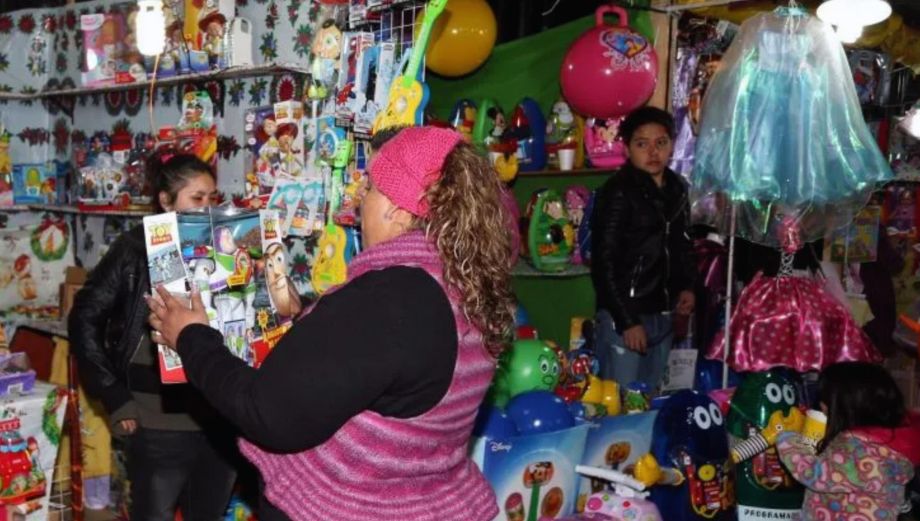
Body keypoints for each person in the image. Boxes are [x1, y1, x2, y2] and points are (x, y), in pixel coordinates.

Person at [145, 126, 514, 521]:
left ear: (397, 208)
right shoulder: (463, 285)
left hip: (351, 507)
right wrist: (301, 315)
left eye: (370, 187)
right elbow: (376, 367)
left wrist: (190, 336)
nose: (358, 200)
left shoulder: (390, 297)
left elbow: (268, 413)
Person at [69, 154, 238, 521]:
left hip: (218, 417)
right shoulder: (134, 248)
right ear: (165, 200)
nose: (207, 206)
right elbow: (84, 317)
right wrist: (114, 395)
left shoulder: (224, 247)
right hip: (157, 421)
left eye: (213, 197)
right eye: (197, 198)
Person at [590, 106, 695, 392]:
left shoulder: (677, 188)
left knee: (649, 402)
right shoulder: (618, 191)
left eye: (660, 143)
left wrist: (686, 287)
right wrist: (627, 321)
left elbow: (682, 244)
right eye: (641, 144)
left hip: (663, 314)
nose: (652, 152)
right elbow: (603, 262)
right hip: (625, 316)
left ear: (672, 145)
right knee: (618, 405)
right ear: (626, 149)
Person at [775, 362, 920, 521]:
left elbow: (813, 474)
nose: (821, 406)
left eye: (825, 400)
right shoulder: (884, 446)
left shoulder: (861, 452)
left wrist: (786, 437)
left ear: (846, 407)